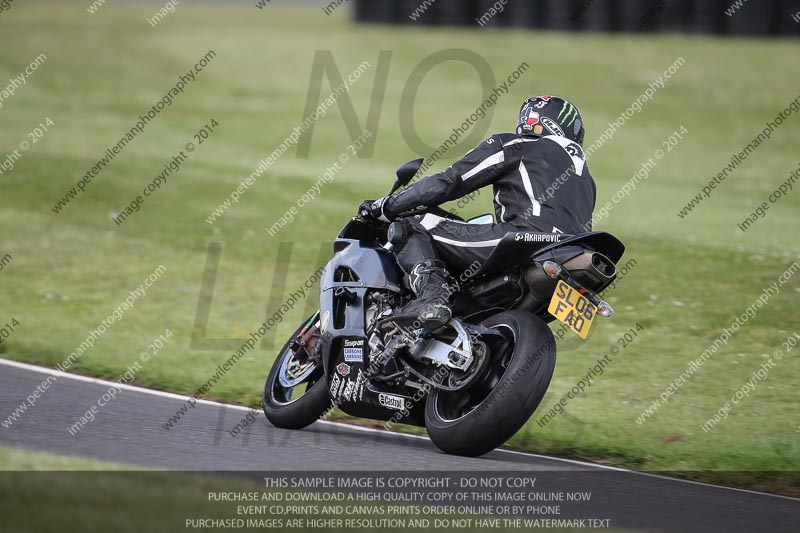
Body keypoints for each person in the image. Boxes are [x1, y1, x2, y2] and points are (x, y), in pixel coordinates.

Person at [358, 96, 596, 331]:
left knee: (412, 225)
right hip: (573, 253)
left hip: (528, 240)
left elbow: (449, 182)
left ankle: (433, 299)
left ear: (534, 120)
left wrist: (386, 206)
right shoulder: (587, 181)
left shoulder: (519, 145)